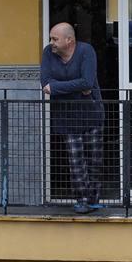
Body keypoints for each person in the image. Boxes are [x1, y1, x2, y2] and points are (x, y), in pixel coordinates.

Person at [41, 22, 105, 214]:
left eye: (55, 39)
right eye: (51, 38)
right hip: (66, 116)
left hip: (91, 113)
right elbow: (45, 83)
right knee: (75, 160)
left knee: (95, 159)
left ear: (69, 40)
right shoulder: (48, 53)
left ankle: (94, 199)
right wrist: (77, 88)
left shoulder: (86, 51)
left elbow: (87, 82)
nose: (51, 42)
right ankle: (82, 199)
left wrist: (58, 88)